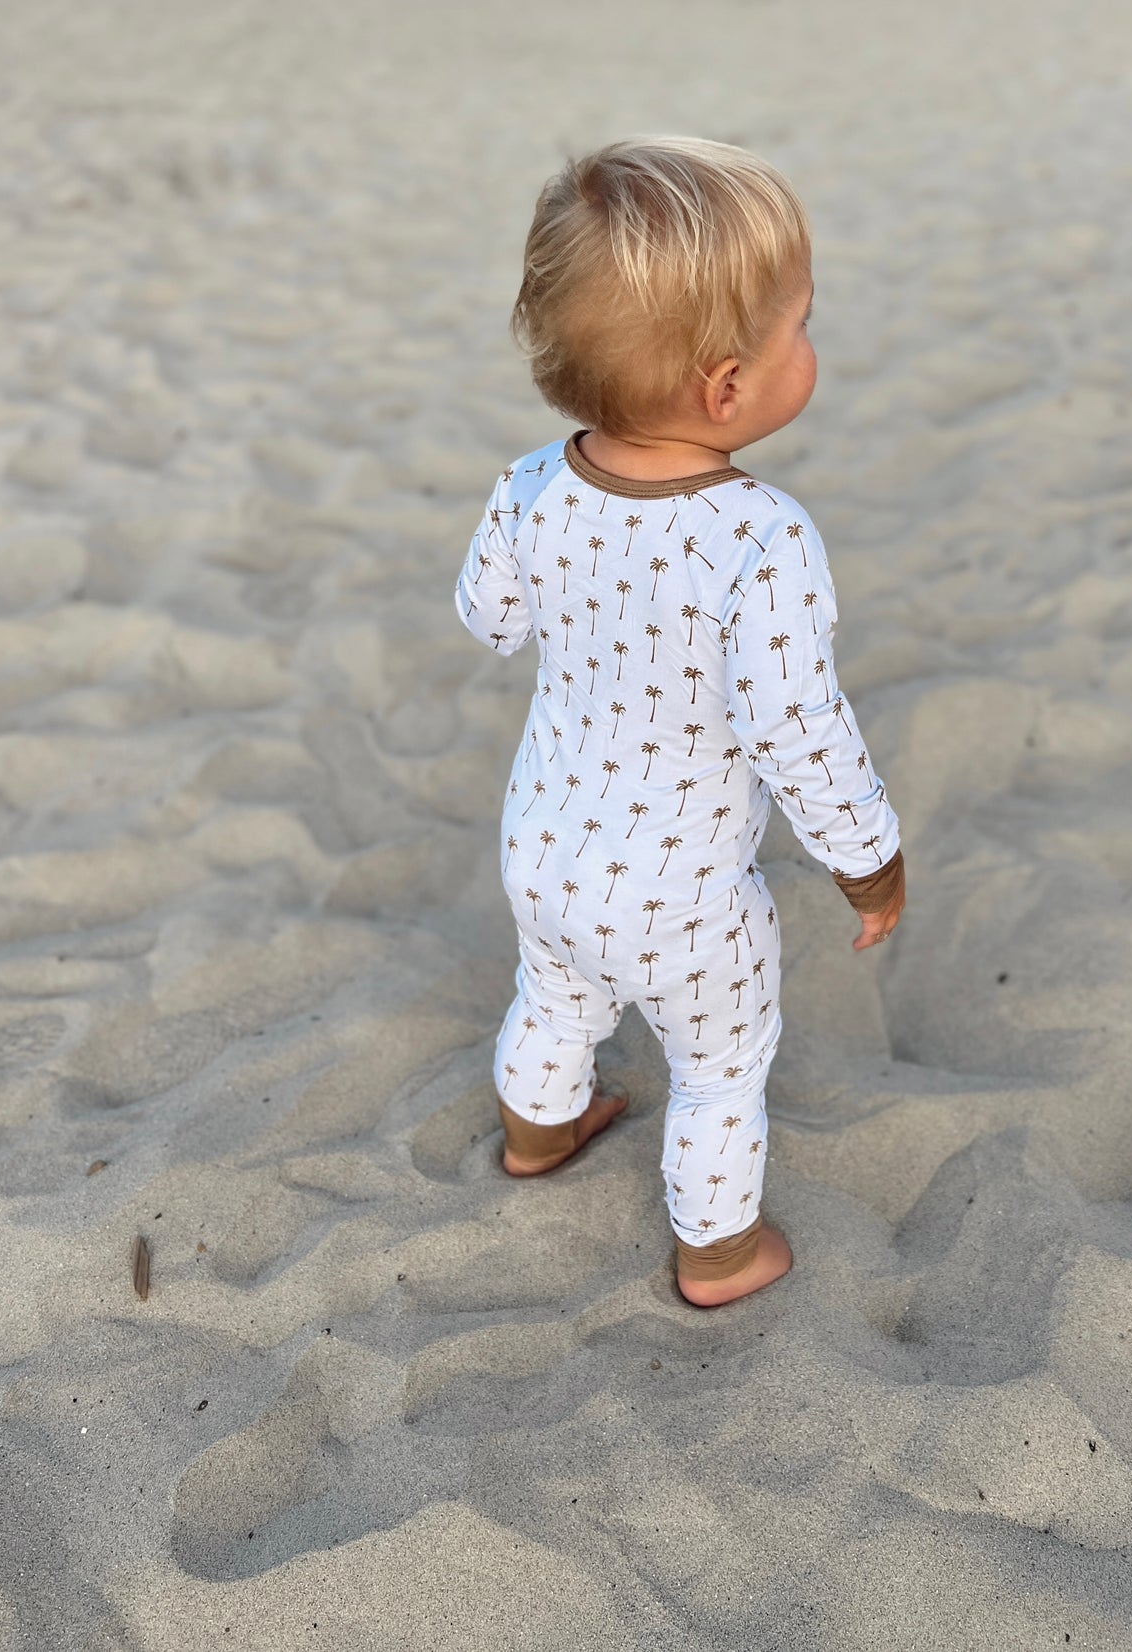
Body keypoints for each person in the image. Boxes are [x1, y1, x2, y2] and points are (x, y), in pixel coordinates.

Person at [454, 136, 905, 1307]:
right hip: (683, 896)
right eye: (797, 327)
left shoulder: (528, 483)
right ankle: (719, 1253)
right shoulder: (762, 538)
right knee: (717, 1068)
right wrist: (868, 864)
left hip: (542, 846)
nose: (810, 346)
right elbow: (797, 729)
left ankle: (537, 1136)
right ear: (722, 387)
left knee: (551, 995)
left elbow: (487, 618)